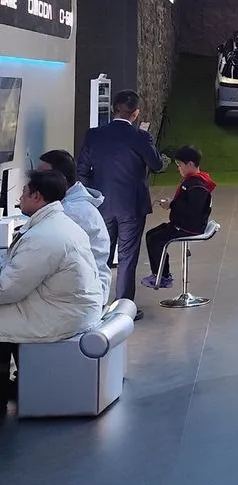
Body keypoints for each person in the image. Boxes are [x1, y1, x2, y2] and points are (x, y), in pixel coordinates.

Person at [0, 171, 105, 407]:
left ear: (37, 196)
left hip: (61, 315)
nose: (19, 198)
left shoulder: (44, 237)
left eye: (23, 193)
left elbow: (8, 289)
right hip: (69, 308)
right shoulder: (58, 224)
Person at [77, 89, 166, 316]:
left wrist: (93, 197)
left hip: (102, 205)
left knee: (100, 255)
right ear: (135, 113)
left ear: (113, 109)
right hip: (131, 206)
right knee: (127, 257)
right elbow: (156, 164)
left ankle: (95, 306)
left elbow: (82, 170)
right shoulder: (140, 137)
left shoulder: (94, 135)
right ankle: (123, 309)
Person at [37, 149, 112, 302]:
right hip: (84, 289)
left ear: (61, 180)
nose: (35, 182)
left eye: (42, 176)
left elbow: (41, 259)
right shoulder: (73, 204)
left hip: (81, 297)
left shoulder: (71, 212)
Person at [142, 146, 216, 290]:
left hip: (188, 227)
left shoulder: (197, 185)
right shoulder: (191, 181)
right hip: (182, 223)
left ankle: (163, 277)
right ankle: (160, 273)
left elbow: (193, 210)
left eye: (180, 165)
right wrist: (172, 203)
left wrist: (172, 205)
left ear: (190, 164)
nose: (178, 168)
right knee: (151, 235)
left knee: (156, 239)